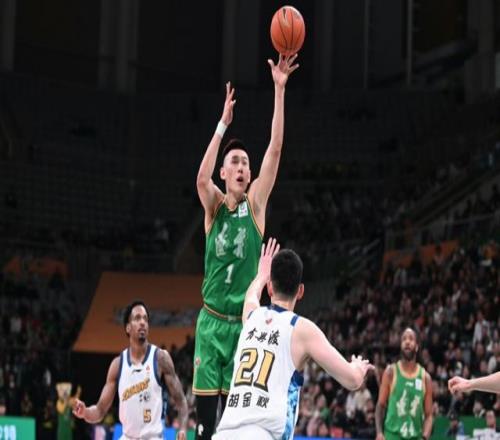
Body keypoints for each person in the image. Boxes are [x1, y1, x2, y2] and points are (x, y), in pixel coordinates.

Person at [194, 54, 298, 440]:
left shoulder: (255, 205)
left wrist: (279, 90)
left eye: (245, 164)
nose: (241, 167)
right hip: (209, 324)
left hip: (243, 326)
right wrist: (222, 125)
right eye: (234, 163)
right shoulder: (213, 207)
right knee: (205, 428)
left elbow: (276, 148)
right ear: (224, 173)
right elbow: (201, 178)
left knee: (234, 426)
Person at [213, 238, 373, 439]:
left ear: (270, 288)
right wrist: (358, 366)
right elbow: (353, 380)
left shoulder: (252, 317)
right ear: (300, 291)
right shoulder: (301, 329)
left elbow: (251, 295)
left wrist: (261, 275)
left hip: (224, 433)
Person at [72, 301, 188, 440]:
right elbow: (100, 410)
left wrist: (182, 429)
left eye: (145, 319)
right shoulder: (117, 365)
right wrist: (85, 412)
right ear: (128, 327)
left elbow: (181, 401)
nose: (142, 322)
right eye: (137, 318)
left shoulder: (160, 358)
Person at [375, 327, 433, 440]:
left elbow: (429, 415)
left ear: (417, 346)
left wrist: (425, 437)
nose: (407, 342)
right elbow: (380, 406)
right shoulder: (391, 372)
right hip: (392, 436)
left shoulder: (425, 378)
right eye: (404, 339)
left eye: (411, 339)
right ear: (401, 345)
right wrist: (379, 433)